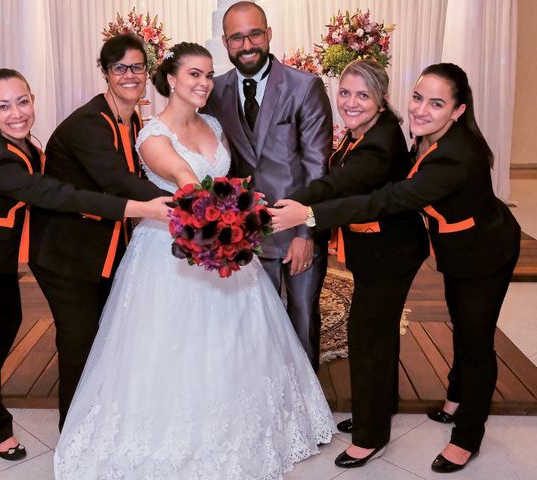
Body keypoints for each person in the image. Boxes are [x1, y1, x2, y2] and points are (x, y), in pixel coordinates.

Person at [53, 42, 336, 480]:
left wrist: (240, 225)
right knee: (175, 346)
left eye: (208, 75)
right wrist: (229, 223)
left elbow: (233, 179)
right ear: (170, 79)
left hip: (224, 244)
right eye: (193, 75)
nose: (204, 83)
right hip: (170, 253)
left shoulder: (214, 126)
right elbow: (189, 184)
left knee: (236, 341)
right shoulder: (152, 136)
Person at [271, 63, 521, 473]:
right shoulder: (414, 133)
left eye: (436, 103)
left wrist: (309, 214)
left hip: (485, 251)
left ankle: (468, 435)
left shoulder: (456, 156)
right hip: (451, 245)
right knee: (461, 323)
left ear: (458, 111)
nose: (421, 110)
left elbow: (387, 199)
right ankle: (452, 397)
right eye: (419, 97)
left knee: (475, 340)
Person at [0, 68, 171, 461]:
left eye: (22, 102)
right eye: (3, 106)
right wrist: (140, 207)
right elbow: (55, 194)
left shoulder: (23, 143)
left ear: (32, 100)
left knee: (5, 328)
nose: (16, 113)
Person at [266, 59, 430, 468]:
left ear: (381, 100)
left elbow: (342, 184)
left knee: (366, 335)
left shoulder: (380, 141)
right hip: (377, 250)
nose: (351, 102)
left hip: (390, 252)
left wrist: (301, 207)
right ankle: (381, 406)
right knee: (380, 330)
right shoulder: (363, 132)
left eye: (363, 95)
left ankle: (370, 435)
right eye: (345, 93)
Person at [29, 34, 170, 430]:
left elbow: (136, 175)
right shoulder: (89, 123)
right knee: (78, 342)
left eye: (137, 67)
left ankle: (99, 417)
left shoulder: (133, 118)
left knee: (108, 336)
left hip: (104, 248)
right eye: (119, 68)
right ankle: (72, 432)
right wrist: (183, 205)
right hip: (65, 253)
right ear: (106, 73)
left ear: (147, 71)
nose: (130, 75)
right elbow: (116, 180)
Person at [202, 1, 332, 371]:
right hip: (243, 235)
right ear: (226, 43)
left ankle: (307, 410)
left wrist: (306, 232)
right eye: (237, 38)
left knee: (302, 318)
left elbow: (316, 168)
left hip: (295, 229)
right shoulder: (216, 91)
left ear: (269, 34)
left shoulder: (304, 87)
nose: (247, 45)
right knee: (252, 326)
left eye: (254, 34)